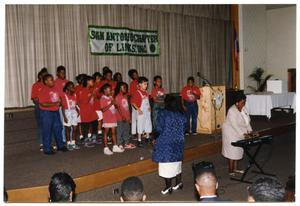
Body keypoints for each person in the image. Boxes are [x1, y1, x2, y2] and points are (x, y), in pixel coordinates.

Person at [152, 95, 186, 195]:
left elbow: (158, 128)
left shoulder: (163, 113)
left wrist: (154, 138)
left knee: (167, 166)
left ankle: (168, 187)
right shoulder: (181, 114)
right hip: (178, 142)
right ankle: (179, 183)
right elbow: (184, 128)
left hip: (166, 143)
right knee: (177, 164)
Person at [222, 93, 254, 176]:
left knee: (238, 150)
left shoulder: (244, 109)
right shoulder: (231, 111)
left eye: (245, 102)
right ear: (237, 103)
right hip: (230, 132)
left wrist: (250, 131)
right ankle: (230, 170)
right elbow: (234, 125)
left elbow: (247, 122)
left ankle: (235, 168)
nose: (244, 104)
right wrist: (244, 134)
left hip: (239, 131)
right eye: (242, 102)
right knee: (232, 151)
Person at [38, 74, 67, 155]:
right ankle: (47, 149)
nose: (53, 81)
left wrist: (60, 101)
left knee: (58, 128)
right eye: (51, 80)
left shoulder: (55, 88)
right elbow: (43, 103)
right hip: (46, 113)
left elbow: (60, 97)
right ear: (46, 82)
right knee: (47, 130)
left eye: (53, 79)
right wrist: (54, 104)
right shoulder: (43, 90)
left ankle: (60, 146)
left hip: (56, 111)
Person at [100, 83, 124, 155]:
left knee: (114, 133)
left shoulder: (111, 97)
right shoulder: (102, 98)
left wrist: (116, 104)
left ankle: (115, 146)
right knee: (106, 133)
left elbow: (115, 106)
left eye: (111, 90)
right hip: (107, 119)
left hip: (113, 117)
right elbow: (103, 110)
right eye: (109, 90)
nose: (111, 92)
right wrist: (111, 104)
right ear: (105, 91)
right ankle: (106, 148)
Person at [76, 75, 98, 147]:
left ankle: (93, 137)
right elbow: (84, 102)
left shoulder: (90, 90)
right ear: (88, 81)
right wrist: (91, 95)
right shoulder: (83, 90)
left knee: (95, 123)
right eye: (92, 81)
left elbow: (93, 101)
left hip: (91, 110)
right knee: (85, 126)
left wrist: (93, 95)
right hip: (85, 111)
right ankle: (85, 141)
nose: (93, 82)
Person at [131, 77, 152, 147]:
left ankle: (147, 137)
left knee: (148, 124)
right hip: (141, 112)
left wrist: (149, 107)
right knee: (140, 125)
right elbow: (133, 103)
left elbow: (147, 101)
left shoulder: (146, 92)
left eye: (147, 84)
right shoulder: (137, 93)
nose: (146, 85)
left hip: (147, 111)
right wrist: (138, 109)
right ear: (140, 84)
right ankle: (139, 140)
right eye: (145, 84)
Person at [31, 68, 48, 151]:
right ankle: (42, 143)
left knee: (49, 125)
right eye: (45, 75)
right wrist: (42, 101)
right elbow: (34, 99)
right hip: (39, 107)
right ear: (40, 76)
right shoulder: (36, 85)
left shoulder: (48, 85)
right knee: (41, 126)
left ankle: (48, 143)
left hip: (48, 107)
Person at [115, 82, 136, 149]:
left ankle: (126, 143)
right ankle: (119, 143)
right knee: (120, 130)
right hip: (120, 117)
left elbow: (127, 107)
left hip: (126, 116)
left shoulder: (125, 96)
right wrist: (122, 116)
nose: (125, 88)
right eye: (123, 87)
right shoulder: (118, 96)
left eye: (126, 87)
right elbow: (118, 107)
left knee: (127, 130)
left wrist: (129, 117)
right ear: (119, 88)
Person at [61, 81, 80, 150]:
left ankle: (73, 143)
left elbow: (76, 104)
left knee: (75, 128)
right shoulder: (64, 95)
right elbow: (63, 107)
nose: (73, 88)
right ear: (68, 88)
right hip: (67, 112)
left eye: (73, 87)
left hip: (74, 112)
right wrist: (64, 116)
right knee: (68, 129)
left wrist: (77, 110)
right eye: (71, 87)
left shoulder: (74, 95)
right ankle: (68, 143)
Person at [54, 65, 69, 143]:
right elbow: (54, 94)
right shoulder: (55, 82)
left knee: (70, 122)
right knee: (63, 122)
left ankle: (70, 138)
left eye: (64, 73)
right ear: (57, 73)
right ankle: (63, 139)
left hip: (68, 106)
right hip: (61, 106)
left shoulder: (67, 82)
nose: (63, 74)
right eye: (61, 73)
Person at [75, 74, 87, 141]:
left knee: (85, 121)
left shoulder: (85, 88)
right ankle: (81, 134)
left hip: (85, 106)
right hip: (78, 106)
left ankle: (87, 134)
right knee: (79, 121)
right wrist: (78, 105)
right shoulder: (76, 88)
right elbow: (75, 97)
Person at [128, 69, 139, 136]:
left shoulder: (140, 81)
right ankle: (134, 132)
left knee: (140, 117)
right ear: (132, 76)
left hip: (140, 102)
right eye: (134, 75)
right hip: (134, 102)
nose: (136, 76)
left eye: (136, 74)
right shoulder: (132, 83)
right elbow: (132, 93)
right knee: (134, 117)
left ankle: (140, 130)